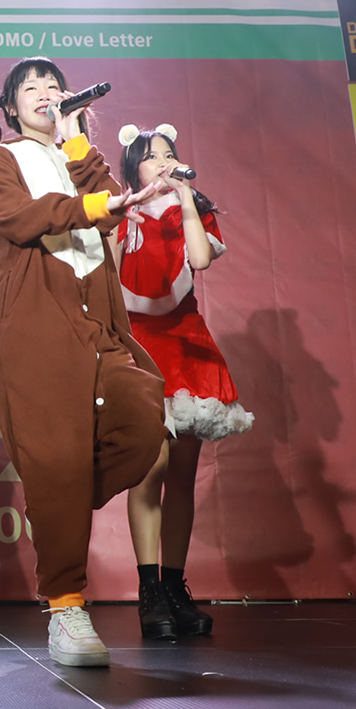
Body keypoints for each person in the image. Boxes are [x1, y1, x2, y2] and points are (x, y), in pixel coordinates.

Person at [0, 57, 170, 668]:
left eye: (55, 86)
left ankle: (58, 500)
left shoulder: (76, 153)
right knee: (56, 463)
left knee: (143, 422)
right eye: (32, 88)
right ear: (10, 108)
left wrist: (75, 138)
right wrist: (93, 207)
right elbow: (23, 219)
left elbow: (112, 201)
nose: (47, 94)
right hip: (36, 322)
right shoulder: (3, 159)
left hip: (96, 319)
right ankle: (66, 606)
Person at [112, 124, 254, 639]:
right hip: (139, 347)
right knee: (150, 468)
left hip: (186, 345)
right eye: (151, 156)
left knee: (183, 475)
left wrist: (186, 197)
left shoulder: (192, 210)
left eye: (169, 154)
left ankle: (174, 587)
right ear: (133, 168)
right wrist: (123, 214)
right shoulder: (119, 214)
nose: (163, 162)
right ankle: (149, 590)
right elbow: (106, 280)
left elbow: (198, 258)